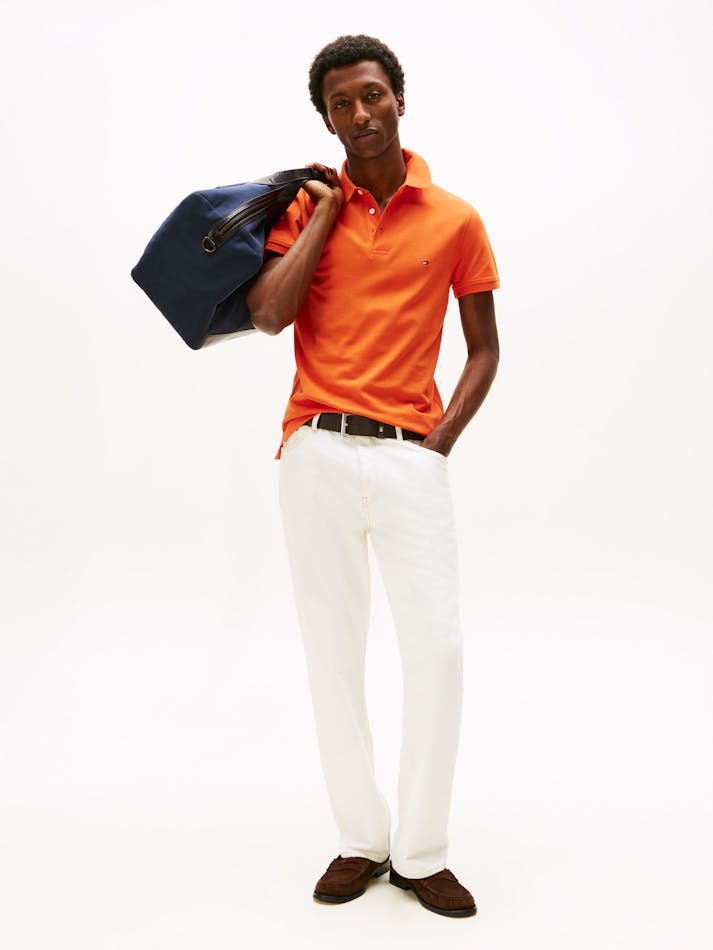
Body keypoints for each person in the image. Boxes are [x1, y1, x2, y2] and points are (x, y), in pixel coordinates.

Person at [246, 34, 500, 919]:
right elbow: (269, 315)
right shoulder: (303, 209)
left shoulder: (456, 220)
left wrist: (437, 444)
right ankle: (361, 839)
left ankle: (421, 850)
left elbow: (483, 350)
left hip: (408, 456)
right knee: (332, 652)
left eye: (371, 95)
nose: (359, 114)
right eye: (340, 105)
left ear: (398, 98)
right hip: (315, 450)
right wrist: (322, 215)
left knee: (437, 649)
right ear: (326, 120)